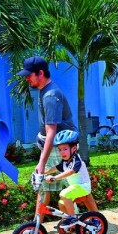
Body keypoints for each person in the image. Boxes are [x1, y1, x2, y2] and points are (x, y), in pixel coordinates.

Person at [18, 56, 77, 221]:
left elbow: (51, 131)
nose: (27, 78)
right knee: (72, 183)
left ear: (40, 73)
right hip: (57, 144)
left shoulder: (50, 95)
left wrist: (42, 163)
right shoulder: (44, 90)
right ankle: (95, 218)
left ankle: (36, 228)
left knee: (45, 184)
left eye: (29, 75)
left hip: (60, 145)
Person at [43, 130, 95, 229]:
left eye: (65, 149)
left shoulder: (77, 160)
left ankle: (72, 218)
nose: (62, 152)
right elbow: (56, 168)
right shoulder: (65, 161)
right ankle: (73, 226)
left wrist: (55, 178)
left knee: (64, 194)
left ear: (74, 148)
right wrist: (43, 172)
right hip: (75, 187)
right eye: (60, 149)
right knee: (61, 204)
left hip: (83, 187)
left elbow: (70, 172)